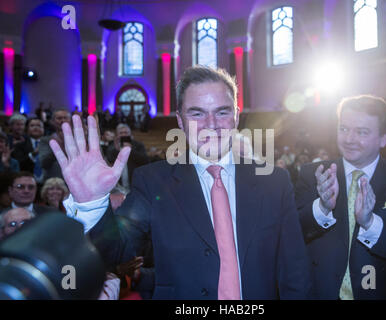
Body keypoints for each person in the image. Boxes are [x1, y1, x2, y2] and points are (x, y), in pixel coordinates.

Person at [50, 66, 311, 300]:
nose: (211, 125)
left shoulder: (274, 182)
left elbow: (294, 271)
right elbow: (119, 251)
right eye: (197, 113)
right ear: (179, 121)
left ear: (236, 116)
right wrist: (92, 203)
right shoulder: (153, 181)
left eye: (221, 112)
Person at [295, 95, 386, 299]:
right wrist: (322, 208)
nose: (349, 139)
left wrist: (370, 223)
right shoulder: (314, 174)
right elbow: (292, 235)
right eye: (344, 129)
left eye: (362, 132)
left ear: (384, 138)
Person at [105, 124, 149, 191]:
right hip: (118, 186)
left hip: (135, 184)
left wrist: (130, 150)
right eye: (121, 133)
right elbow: (109, 161)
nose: (123, 135)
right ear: (117, 135)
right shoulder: (113, 146)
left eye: (126, 133)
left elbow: (145, 160)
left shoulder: (138, 145)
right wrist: (116, 150)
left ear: (130, 134)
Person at [12, 118, 45, 183]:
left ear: (43, 129)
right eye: (32, 125)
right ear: (27, 129)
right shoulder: (19, 145)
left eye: (39, 125)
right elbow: (19, 163)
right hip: (26, 182)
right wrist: (33, 154)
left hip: (48, 183)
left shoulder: (50, 144)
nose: (35, 128)